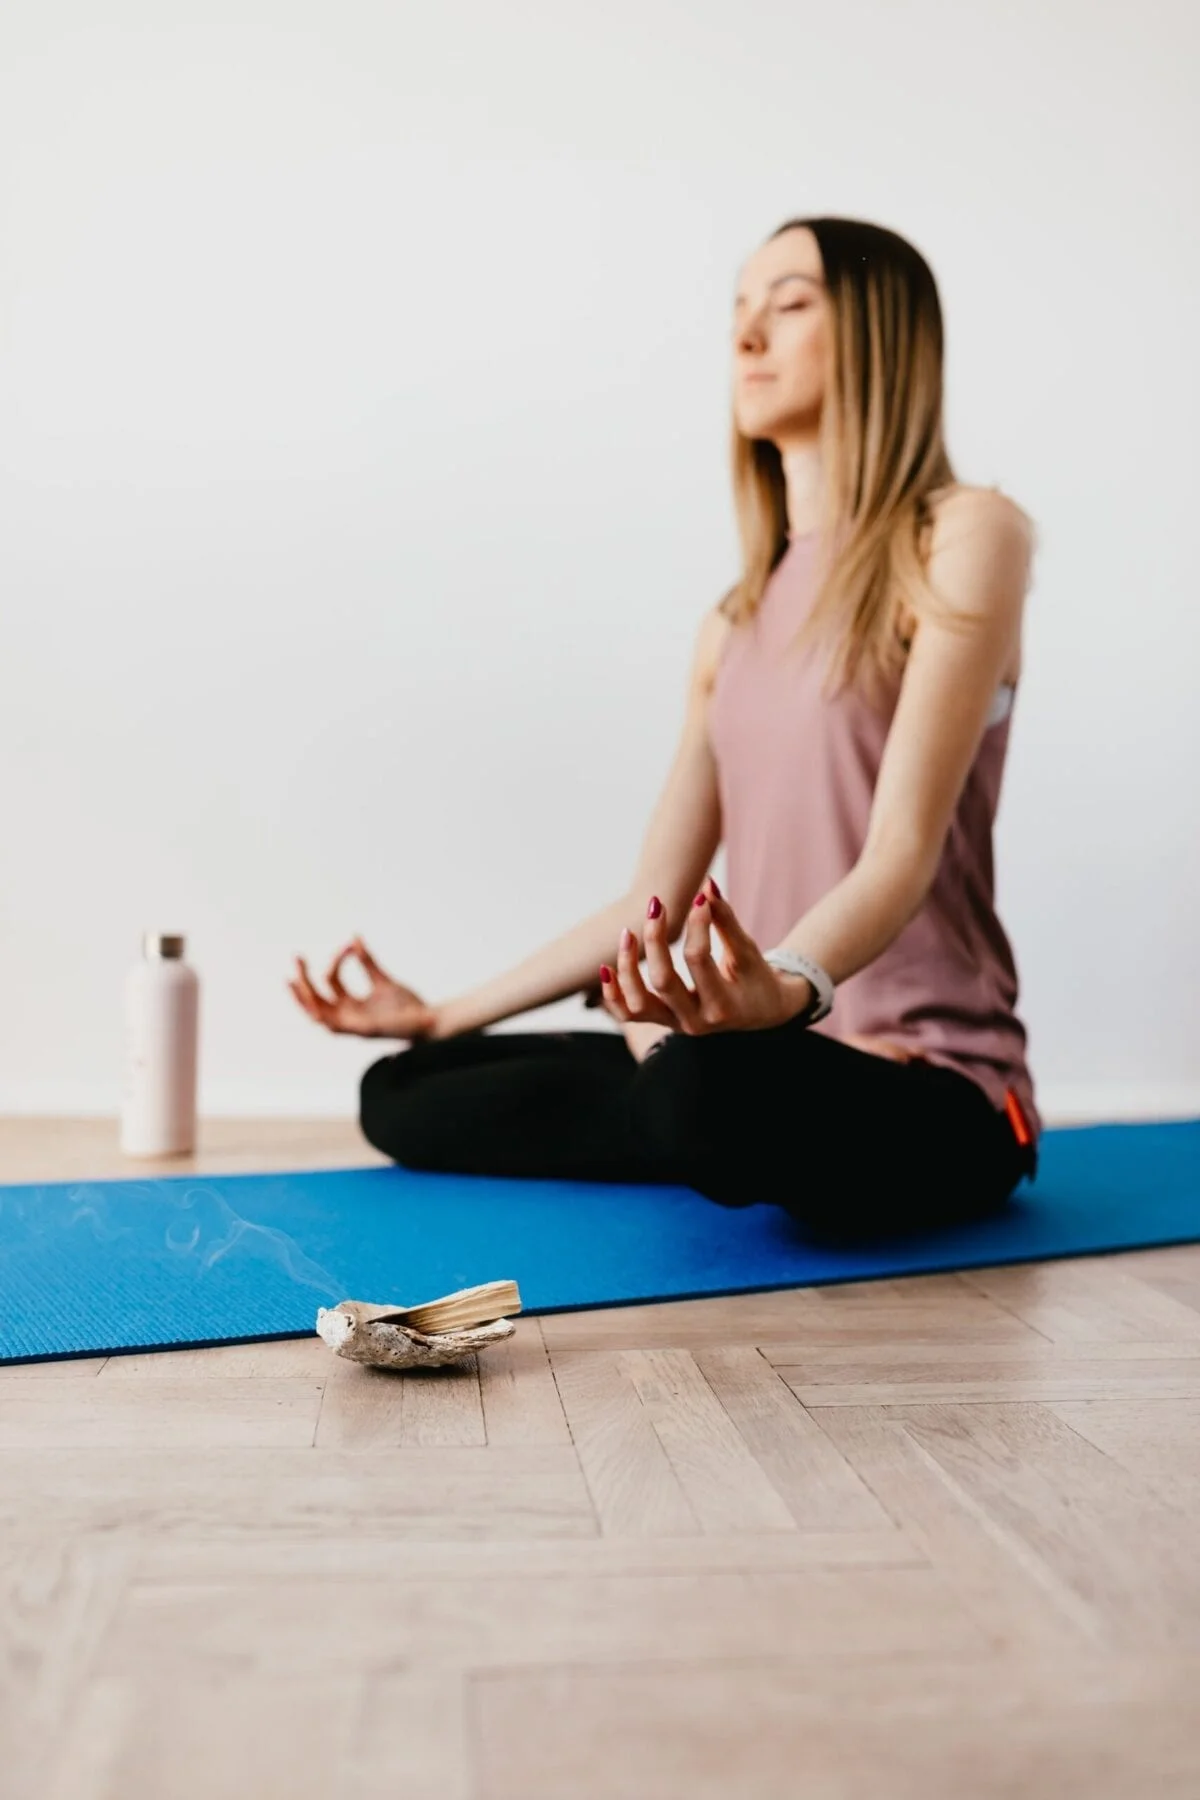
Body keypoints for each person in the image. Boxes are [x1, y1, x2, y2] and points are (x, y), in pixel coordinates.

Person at [288, 214, 1041, 1244]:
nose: (746, 338)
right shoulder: (731, 625)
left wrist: (787, 989)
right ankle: (689, 1100)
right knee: (403, 1088)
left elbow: (901, 853)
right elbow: (652, 904)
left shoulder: (965, 536)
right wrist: (443, 1013)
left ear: (880, 334)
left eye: (788, 305)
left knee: (701, 1091)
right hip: (741, 1047)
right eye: (738, 311)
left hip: (927, 1080)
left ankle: (695, 1103)